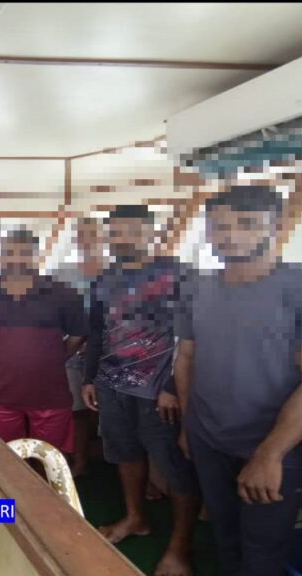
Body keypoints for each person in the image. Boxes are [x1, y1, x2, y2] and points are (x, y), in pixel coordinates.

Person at [175, 185, 302, 576]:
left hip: (274, 445)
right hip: (208, 437)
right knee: (224, 535)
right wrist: (189, 427)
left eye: (247, 224)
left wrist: (270, 454)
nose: (230, 235)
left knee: (263, 551)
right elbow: (186, 357)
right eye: (219, 225)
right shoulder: (196, 289)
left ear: (277, 226)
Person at [81, 205, 199, 576]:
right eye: (116, 231)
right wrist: (89, 377)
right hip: (112, 386)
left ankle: (180, 548)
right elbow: (97, 332)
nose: (123, 238)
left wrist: (172, 387)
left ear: (152, 232)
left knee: (175, 469)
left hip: (158, 392)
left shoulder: (179, 275)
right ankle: (136, 518)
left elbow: (195, 338)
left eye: (133, 230)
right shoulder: (104, 279)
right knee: (125, 455)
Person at [0, 229, 87, 455]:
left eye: (24, 253)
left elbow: (77, 336)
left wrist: (53, 359)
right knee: (5, 459)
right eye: (10, 253)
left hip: (50, 395)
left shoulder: (64, 293)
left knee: (51, 461)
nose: (17, 259)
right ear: (1, 256)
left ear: (36, 256)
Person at [52, 216, 106, 477]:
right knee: (77, 411)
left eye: (93, 234)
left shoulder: (116, 271)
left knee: (110, 411)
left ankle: (114, 462)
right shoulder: (61, 273)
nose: (88, 240)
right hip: (72, 352)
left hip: (110, 354)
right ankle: (81, 462)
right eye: (82, 235)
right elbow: (55, 314)